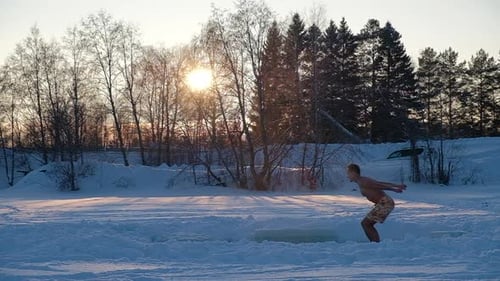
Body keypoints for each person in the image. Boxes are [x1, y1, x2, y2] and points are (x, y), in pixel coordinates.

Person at [346, 163, 406, 242]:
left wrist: (393, 189)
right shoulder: (363, 180)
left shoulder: (363, 181)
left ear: (353, 173)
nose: (347, 176)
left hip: (385, 203)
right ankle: (375, 244)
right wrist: (396, 185)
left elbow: (379, 185)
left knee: (366, 224)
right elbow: (380, 183)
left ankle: (375, 244)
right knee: (367, 224)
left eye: (348, 173)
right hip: (384, 203)